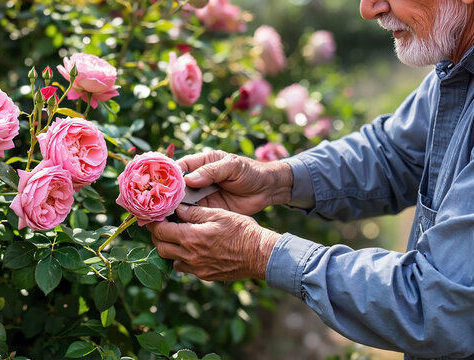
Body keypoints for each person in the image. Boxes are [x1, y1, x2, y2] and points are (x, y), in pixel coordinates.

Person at [146, 0, 474, 358]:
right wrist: (274, 179)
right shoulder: (458, 68)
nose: (369, 9)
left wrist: (262, 253)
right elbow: (392, 154)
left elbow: (440, 304)